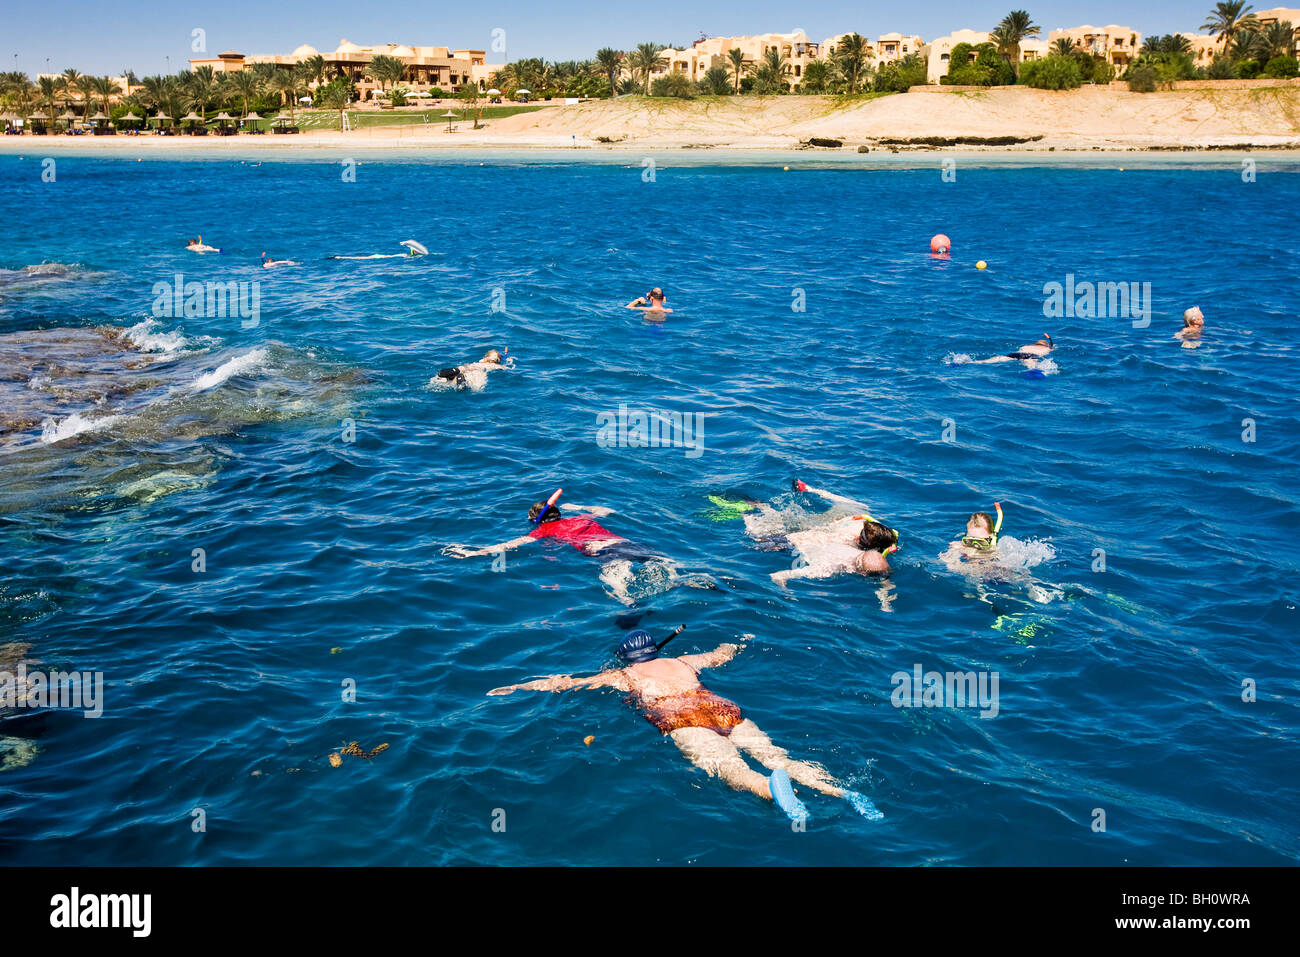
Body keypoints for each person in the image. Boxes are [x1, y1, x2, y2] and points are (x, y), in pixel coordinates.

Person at [487, 628, 883, 822]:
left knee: (732, 771)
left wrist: (517, 686)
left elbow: (565, 684)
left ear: (628, 659)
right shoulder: (684, 661)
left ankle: (772, 792)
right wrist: (738, 642)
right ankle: (841, 792)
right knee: (778, 755)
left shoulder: (623, 677)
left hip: (680, 718)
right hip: (721, 708)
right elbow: (723, 653)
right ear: (656, 650)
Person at [443, 490, 709, 604]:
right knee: (670, 566)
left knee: (618, 587)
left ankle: (629, 606)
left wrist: (474, 552)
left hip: (603, 553)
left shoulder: (542, 531)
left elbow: (508, 545)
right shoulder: (580, 518)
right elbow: (608, 510)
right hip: (626, 542)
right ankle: (694, 579)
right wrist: (577, 507)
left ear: (534, 521)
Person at [733, 480, 899, 588]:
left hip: (811, 526)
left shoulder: (862, 512)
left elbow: (833, 497)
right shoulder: (838, 559)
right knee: (758, 541)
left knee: (773, 523)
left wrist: (810, 489)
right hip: (796, 538)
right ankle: (747, 512)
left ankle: (760, 508)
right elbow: (783, 574)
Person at [940, 504, 1003, 570]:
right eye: (970, 541)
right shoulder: (960, 546)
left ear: (991, 537)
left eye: (981, 542)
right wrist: (953, 553)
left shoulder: (996, 552)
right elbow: (948, 564)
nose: (975, 545)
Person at [430, 348, 509, 391]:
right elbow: (505, 368)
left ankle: (453, 372)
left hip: (469, 367)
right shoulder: (494, 366)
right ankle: (461, 380)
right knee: (471, 381)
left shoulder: (479, 362)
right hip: (477, 372)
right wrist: (509, 362)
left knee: (462, 368)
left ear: (485, 357)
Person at [970, 334, 1053, 367]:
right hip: (1031, 356)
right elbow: (1051, 349)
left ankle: (969, 362)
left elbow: (1021, 351)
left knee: (995, 359)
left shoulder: (1026, 346)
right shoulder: (1047, 348)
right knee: (1031, 366)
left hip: (1015, 354)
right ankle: (1033, 373)